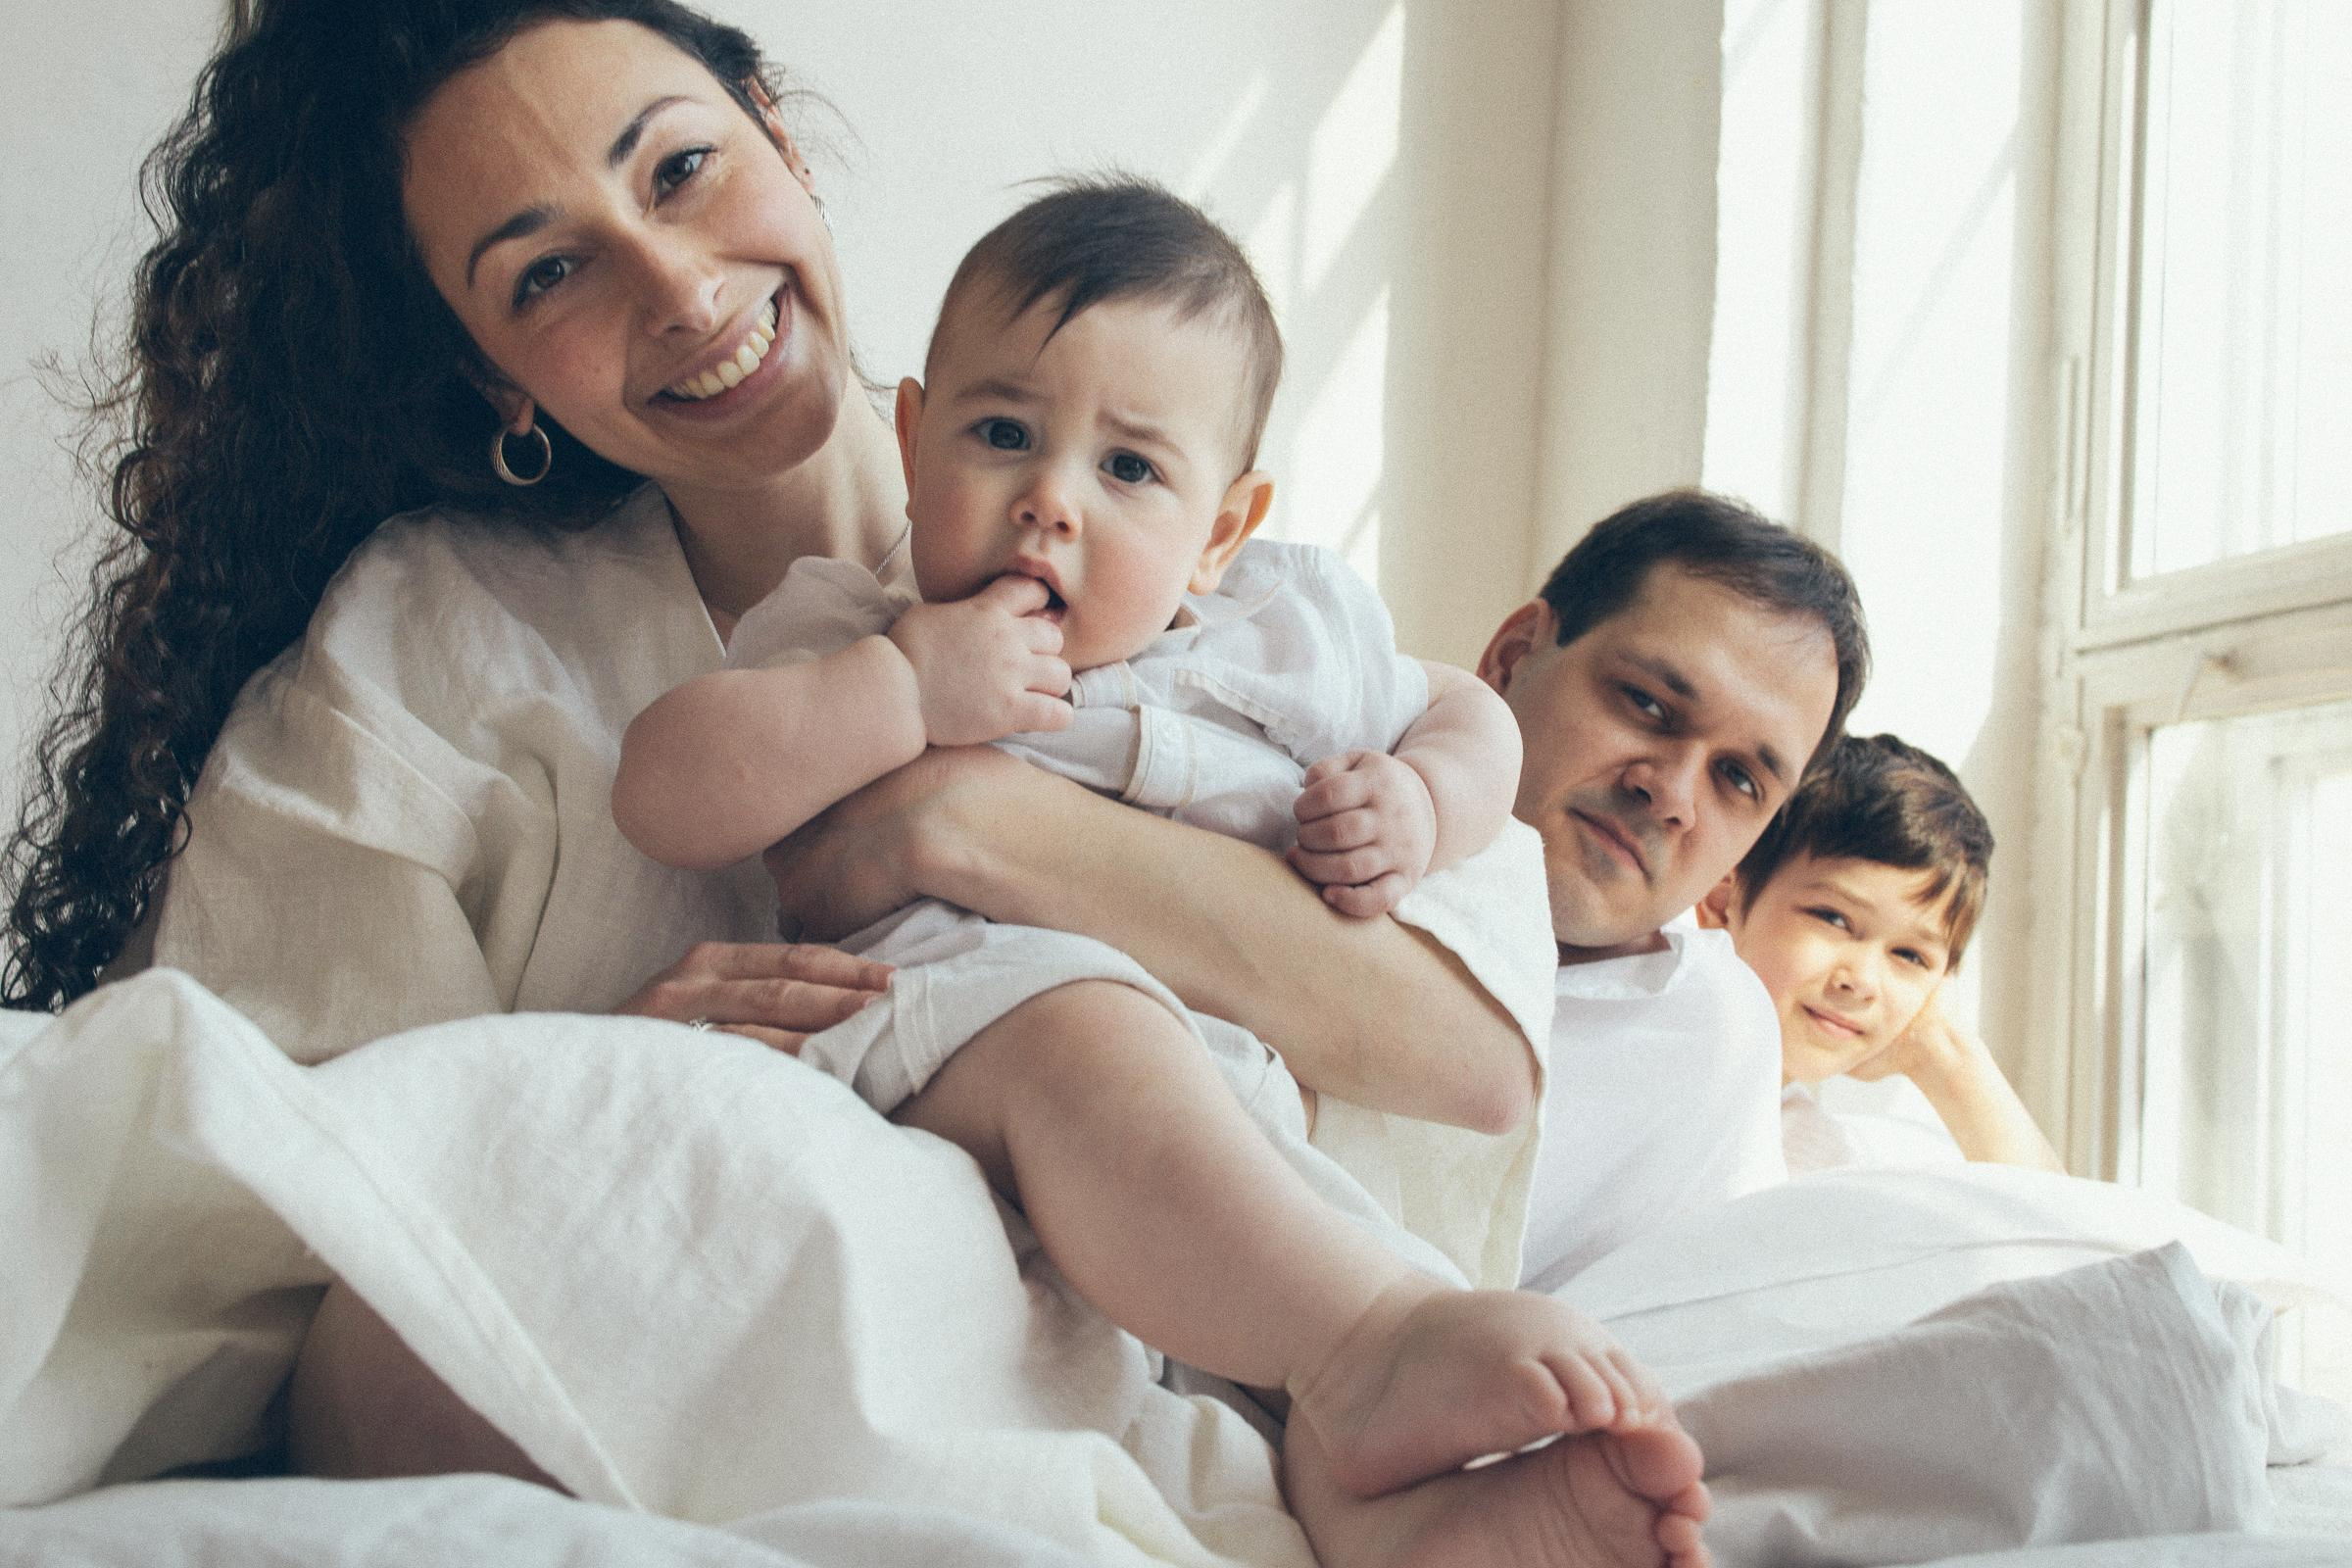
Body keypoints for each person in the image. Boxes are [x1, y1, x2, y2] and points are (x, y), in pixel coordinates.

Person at [1, 2, 1712, 1562]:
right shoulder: (428, 643)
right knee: (454, 1321)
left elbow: (1467, 1052)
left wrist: (962, 823)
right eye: (547, 277)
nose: (676, 289)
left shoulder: (1196, 577)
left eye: (683, 170)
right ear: (487, 371)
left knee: (1224, 1236)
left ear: (780, 141)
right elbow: (268, 1174)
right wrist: (603, 1087)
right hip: (696, 1295)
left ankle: (1356, 1460)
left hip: (1153, 1278)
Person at [610, 174, 1665, 1508]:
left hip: (1223, 1120)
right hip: (952, 1052)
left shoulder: (1283, 635)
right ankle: (1369, 1343)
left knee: (1264, 1252)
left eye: (1128, 469)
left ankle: (1365, 1494)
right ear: (918, 440)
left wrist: (1424, 801)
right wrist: (896, 692)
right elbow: (662, 788)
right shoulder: (857, 628)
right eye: (1002, 433)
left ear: (1222, 532)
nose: (1052, 502)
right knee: (1088, 1037)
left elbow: (1468, 713)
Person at [1705, 732, 2065, 1174]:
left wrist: (1946, 1053)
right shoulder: (1633, 1062)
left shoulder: (1807, 1150)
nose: (1861, 981)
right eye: (1833, 919)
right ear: (1722, 900)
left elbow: (2059, 1228)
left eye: (1910, 956)